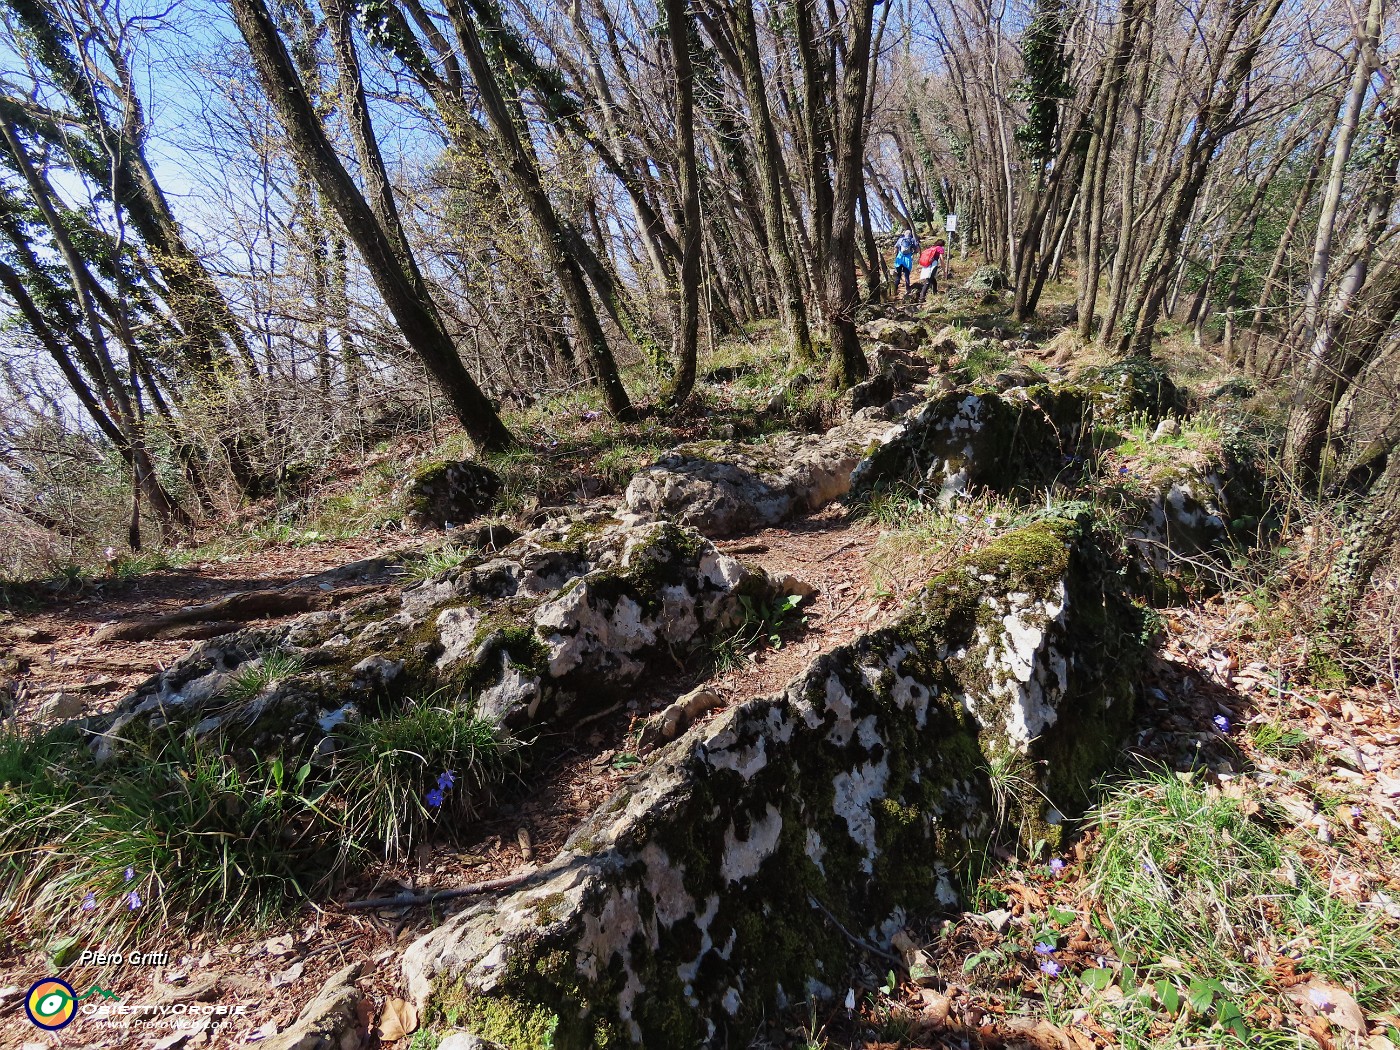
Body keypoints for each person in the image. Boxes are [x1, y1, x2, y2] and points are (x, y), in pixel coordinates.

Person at [915, 239, 947, 303]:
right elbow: (941, 260)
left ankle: (934, 293)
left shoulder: (932, 248)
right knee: (928, 281)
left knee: (933, 281)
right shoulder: (940, 249)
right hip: (933, 265)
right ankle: (921, 297)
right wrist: (944, 271)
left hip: (927, 265)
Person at [892, 228, 918, 298]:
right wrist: (913, 252)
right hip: (907, 260)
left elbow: (895, 248)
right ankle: (908, 289)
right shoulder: (912, 240)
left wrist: (896, 254)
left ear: (904, 234)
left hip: (899, 259)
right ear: (910, 234)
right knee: (906, 275)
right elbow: (917, 250)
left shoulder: (900, 239)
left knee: (898, 275)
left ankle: (894, 290)